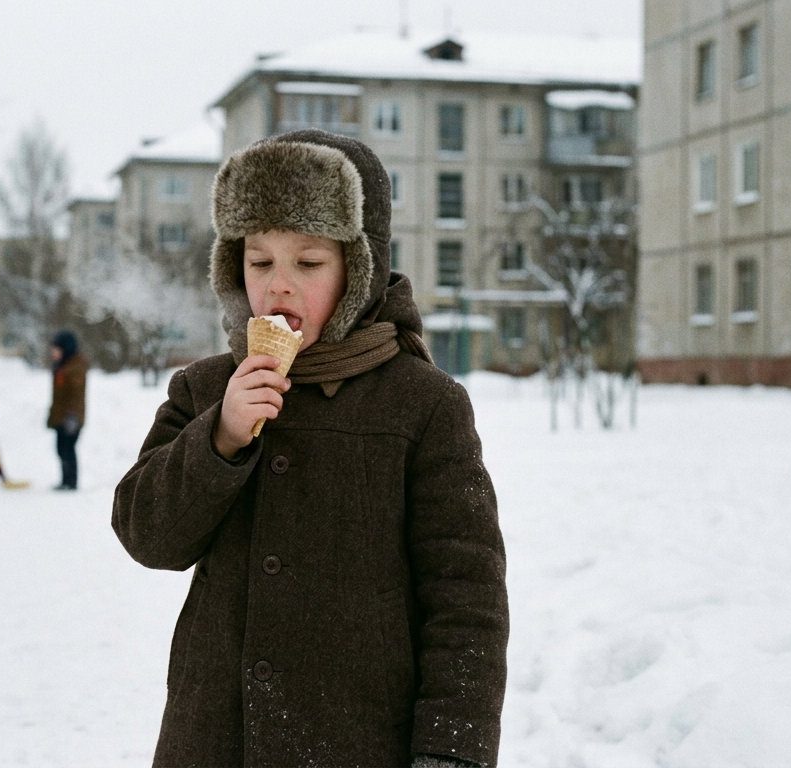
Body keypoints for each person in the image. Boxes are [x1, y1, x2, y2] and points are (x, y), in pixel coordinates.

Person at [111, 130, 508, 767]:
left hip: (358, 743)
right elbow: (146, 534)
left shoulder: (422, 405)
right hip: (216, 742)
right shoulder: (207, 388)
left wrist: (451, 755)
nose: (280, 286)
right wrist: (220, 439)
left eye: (310, 262)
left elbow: (465, 601)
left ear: (360, 268)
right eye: (260, 261)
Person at [46, 329, 87, 490]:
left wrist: (72, 417)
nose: (53, 353)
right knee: (61, 448)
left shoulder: (75, 368)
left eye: (56, 349)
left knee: (67, 449)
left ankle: (71, 481)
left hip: (71, 419)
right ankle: (65, 480)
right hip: (60, 417)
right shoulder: (62, 367)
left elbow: (75, 396)